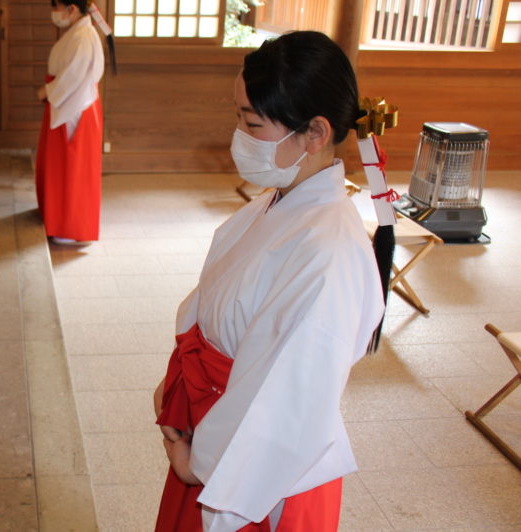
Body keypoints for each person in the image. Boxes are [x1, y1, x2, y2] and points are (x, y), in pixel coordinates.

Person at [153, 31, 385, 532]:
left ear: (315, 133)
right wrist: (176, 391)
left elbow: (285, 394)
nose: (238, 134)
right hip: (208, 424)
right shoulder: (280, 199)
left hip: (249, 466)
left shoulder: (328, 253)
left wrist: (200, 461)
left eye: (251, 122)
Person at [35, 0, 105, 244]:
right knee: (62, 165)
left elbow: (74, 76)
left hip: (74, 105)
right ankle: (60, 219)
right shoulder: (79, 33)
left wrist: (49, 91)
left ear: (71, 9)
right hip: (69, 101)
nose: (54, 12)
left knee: (71, 166)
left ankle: (69, 226)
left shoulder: (84, 37)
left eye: (57, 6)